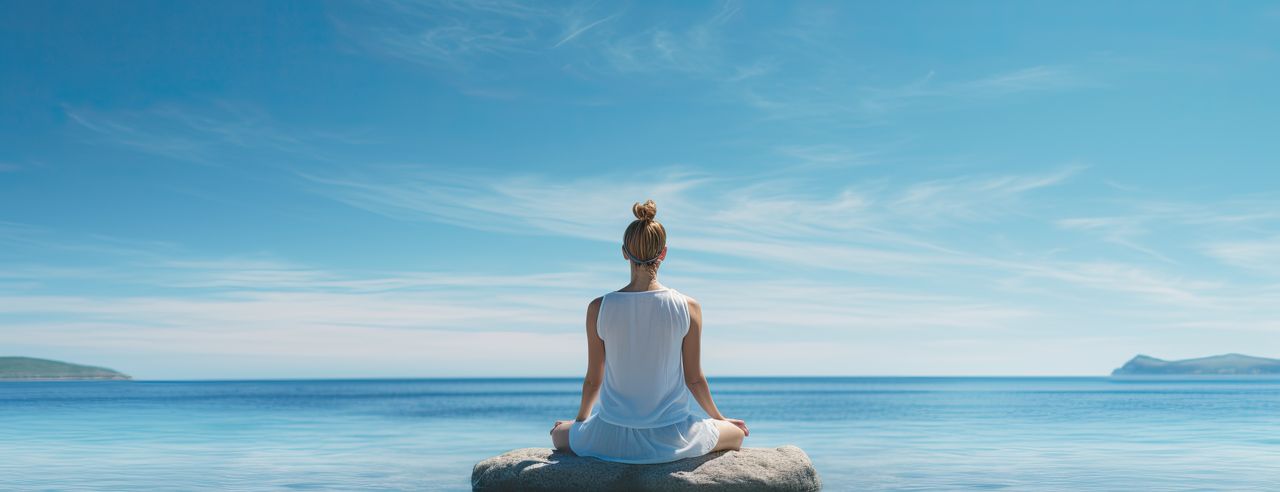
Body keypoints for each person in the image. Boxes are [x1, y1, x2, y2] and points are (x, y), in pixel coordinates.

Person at [548, 199, 748, 464]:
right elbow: (694, 380)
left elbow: (593, 381)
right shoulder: (688, 307)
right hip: (672, 436)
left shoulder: (599, 307)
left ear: (624, 252)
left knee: (558, 435)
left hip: (612, 436)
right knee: (737, 434)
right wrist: (720, 419)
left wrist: (580, 423)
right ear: (663, 253)